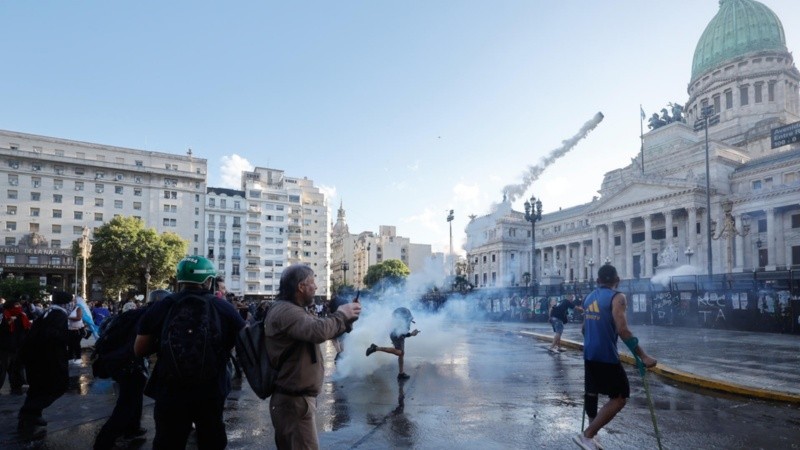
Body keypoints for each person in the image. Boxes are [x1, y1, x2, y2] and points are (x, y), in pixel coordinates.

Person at [134, 256, 245, 450]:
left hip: (170, 389)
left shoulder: (162, 305)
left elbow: (139, 349)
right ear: (207, 281)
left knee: (168, 441)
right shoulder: (223, 307)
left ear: (180, 280)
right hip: (211, 389)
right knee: (212, 440)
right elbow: (243, 343)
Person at [264, 264, 361, 449]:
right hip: (294, 402)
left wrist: (347, 320)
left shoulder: (292, 309)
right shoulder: (287, 311)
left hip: (294, 401)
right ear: (301, 287)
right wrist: (341, 314)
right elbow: (317, 331)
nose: (316, 287)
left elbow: (322, 328)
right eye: (312, 282)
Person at [574, 265, 657, 450]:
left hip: (590, 353)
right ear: (617, 280)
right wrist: (643, 356)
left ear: (598, 281)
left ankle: (590, 434)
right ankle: (587, 435)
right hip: (606, 354)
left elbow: (583, 328)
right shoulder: (617, 297)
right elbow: (623, 330)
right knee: (620, 397)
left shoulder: (588, 298)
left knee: (592, 391)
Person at [17, 290, 72, 436]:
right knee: (56, 386)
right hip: (48, 360)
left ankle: (32, 415)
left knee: (38, 388)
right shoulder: (58, 315)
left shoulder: (48, 313)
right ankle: (30, 413)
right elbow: (52, 336)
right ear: (66, 303)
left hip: (36, 359)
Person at [365, 307, 420, 380]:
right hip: (397, 336)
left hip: (398, 336)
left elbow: (403, 334)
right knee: (400, 352)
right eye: (408, 319)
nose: (409, 322)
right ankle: (375, 348)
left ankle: (401, 373)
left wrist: (411, 334)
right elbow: (402, 334)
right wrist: (411, 334)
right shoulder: (399, 325)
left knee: (401, 354)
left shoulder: (398, 324)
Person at [0, 297, 31, 394]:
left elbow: (26, 330)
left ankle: (17, 387)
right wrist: (8, 322)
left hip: (18, 346)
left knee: (16, 368)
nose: (19, 306)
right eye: (16, 305)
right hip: (5, 347)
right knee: (2, 368)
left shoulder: (22, 315)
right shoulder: (4, 315)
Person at [66, 295, 85, 365]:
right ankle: (70, 358)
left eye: (73, 301)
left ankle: (78, 358)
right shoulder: (70, 309)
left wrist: (68, 317)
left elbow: (79, 318)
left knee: (76, 344)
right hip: (70, 329)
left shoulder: (78, 308)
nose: (71, 302)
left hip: (78, 330)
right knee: (70, 345)